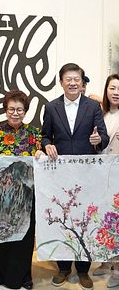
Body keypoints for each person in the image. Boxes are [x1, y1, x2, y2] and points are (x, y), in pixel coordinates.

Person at [42, 63, 109, 290]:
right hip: (59, 174)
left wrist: (98, 141)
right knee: (63, 218)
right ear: (61, 82)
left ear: (82, 82)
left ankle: (83, 270)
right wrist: (47, 145)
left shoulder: (93, 107)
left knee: (85, 220)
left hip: (87, 172)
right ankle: (63, 268)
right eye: (68, 79)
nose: (72, 83)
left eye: (76, 79)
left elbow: (103, 137)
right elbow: (45, 136)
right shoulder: (51, 107)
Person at [0, 90, 42, 290]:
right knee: (1, 234)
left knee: (25, 236)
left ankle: (25, 276)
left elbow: (41, 158)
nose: (15, 113)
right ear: (6, 110)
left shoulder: (34, 134)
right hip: (2, 195)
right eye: (11, 109)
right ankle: (0, 273)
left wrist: (41, 153)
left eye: (20, 109)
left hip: (26, 195)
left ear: (25, 111)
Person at [92, 74, 119, 287]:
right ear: (106, 90)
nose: (116, 92)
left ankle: (117, 268)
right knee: (104, 218)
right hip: (102, 173)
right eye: (112, 88)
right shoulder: (101, 114)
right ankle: (105, 261)